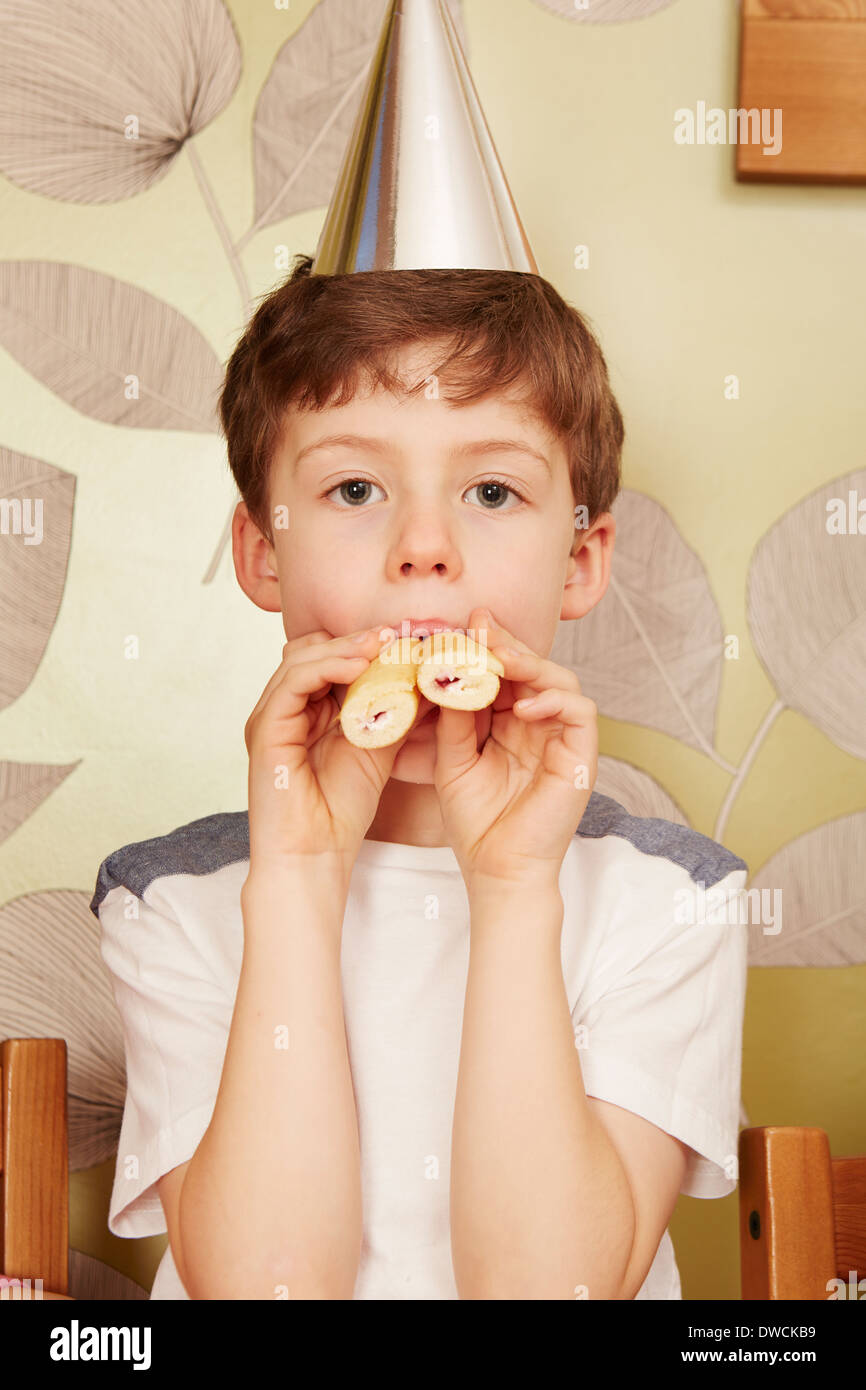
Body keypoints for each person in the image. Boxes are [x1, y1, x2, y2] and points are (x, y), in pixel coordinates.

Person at [90, 256, 749, 1299]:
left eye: (491, 490)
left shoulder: (675, 903)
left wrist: (515, 886)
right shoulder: (169, 903)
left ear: (579, 559)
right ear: (263, 551)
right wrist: (300, 876)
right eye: (354, 489)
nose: (424, 549)